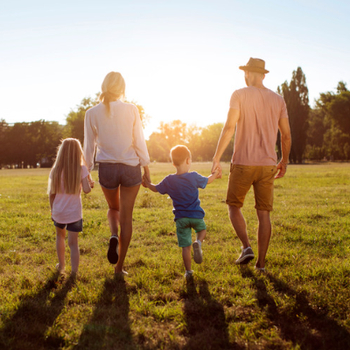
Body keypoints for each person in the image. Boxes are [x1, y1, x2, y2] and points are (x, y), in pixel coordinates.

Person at [212, 58, 292, 272]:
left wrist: (216, 157)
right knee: (263, 214)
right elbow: (286, 135)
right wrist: (283, 161)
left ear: (247, 74)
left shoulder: (239, 94)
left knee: (233, 206)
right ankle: (261, 265)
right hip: (268, 165)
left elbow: (229, 128)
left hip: (243, 163)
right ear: (263, 75)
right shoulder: (278, 99)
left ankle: (247, 247)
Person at [84, 71, 150, 275]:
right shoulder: (131, 109)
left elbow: (89, 146)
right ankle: (119, 267)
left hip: (107, 168)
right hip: (131, 167)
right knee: (127, 217)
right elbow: (139, 140)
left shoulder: (91, 112)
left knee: (114, 208)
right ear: (122, 88)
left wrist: (86, 172)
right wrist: (146, 167)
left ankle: (113, 235)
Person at [144, 145, 219, 279]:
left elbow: (156, 189)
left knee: (186, 247)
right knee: (202, 231)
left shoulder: (169, 180)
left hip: (181, 219)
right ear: (188, 160)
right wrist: (215, 174)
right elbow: (208, 181)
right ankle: (199, 242)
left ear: (173, 163)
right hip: (196, 216)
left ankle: (188, 272)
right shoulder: (194, 176)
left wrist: (147, 184)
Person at [48, 138, 94, 276]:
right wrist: (89, 183)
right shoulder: (81, 169)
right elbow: (87, 190)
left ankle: (61, 266)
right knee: (73, 243)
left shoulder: (55, 170)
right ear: (77, 152)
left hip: (59, 211)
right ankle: (74, 272)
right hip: (74, 213)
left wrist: (52, 210)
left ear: (61, 152)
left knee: (59, 237)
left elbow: (51, 194)